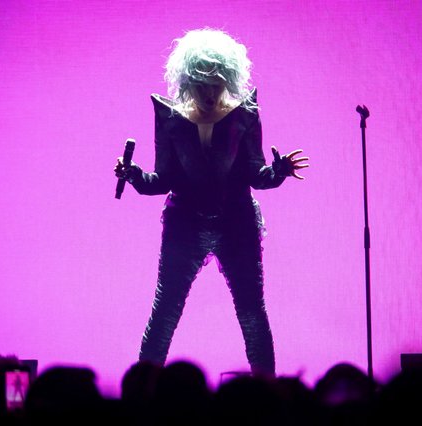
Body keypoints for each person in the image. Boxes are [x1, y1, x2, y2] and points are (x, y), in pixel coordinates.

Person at [114, 28, 309, 377]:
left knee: (252, 312)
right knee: (165, 312)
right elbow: (163, 180)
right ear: (187, 80)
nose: (208, 92)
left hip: (237, 223)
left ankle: (268, 396)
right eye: (201, 83)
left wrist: (278, 172)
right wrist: (133, 175)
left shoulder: (245, 114)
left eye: (216, 83)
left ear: (228, 80)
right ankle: (140, 397)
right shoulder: (170, 117)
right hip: (184, 224)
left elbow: (255, 175)